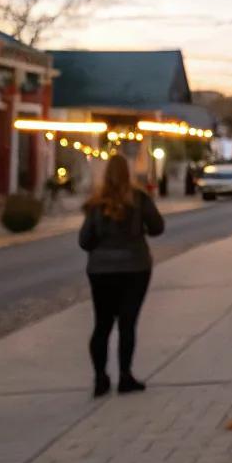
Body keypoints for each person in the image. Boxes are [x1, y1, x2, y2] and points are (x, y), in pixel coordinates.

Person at [79, 153, 164, 397]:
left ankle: (100, 378)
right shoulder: (139, 199)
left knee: (102, 324)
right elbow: (158, 227)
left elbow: (84, 241)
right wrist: (140, 230)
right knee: (127, 323)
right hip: (135, 267)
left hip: (101, 270)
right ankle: (125, 376)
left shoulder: (96, 204)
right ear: (128, 173)